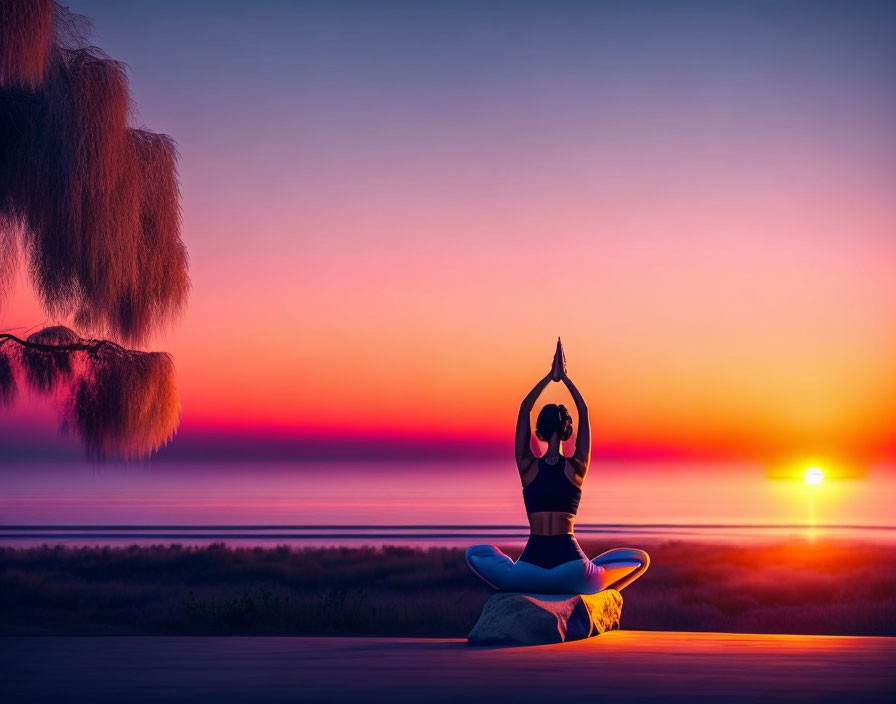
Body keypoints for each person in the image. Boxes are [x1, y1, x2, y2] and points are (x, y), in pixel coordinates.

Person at [465, 338, 650, 594]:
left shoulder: (527, 467)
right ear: (565, 430)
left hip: (528, 572)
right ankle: (601, 595)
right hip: (573, 572)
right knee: (640, 558)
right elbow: (583, 410)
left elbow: (524, 408)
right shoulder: (576, 468)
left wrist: (548, 377)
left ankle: (520, 587)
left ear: (540, 430)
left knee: (474, 553)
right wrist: (564, 378)